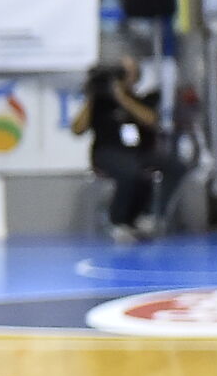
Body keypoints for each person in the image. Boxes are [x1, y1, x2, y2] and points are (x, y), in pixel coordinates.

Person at [70, 53, 175, 242]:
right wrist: (92, 97)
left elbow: (151, 120)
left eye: (128, 73)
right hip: (107, 152)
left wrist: (122, 98)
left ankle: (147, 214)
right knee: (130, 170)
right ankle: (118, 220)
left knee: (171, 165)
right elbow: (77, 129)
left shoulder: (142, 99)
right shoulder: (100, 103)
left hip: (137, 152)